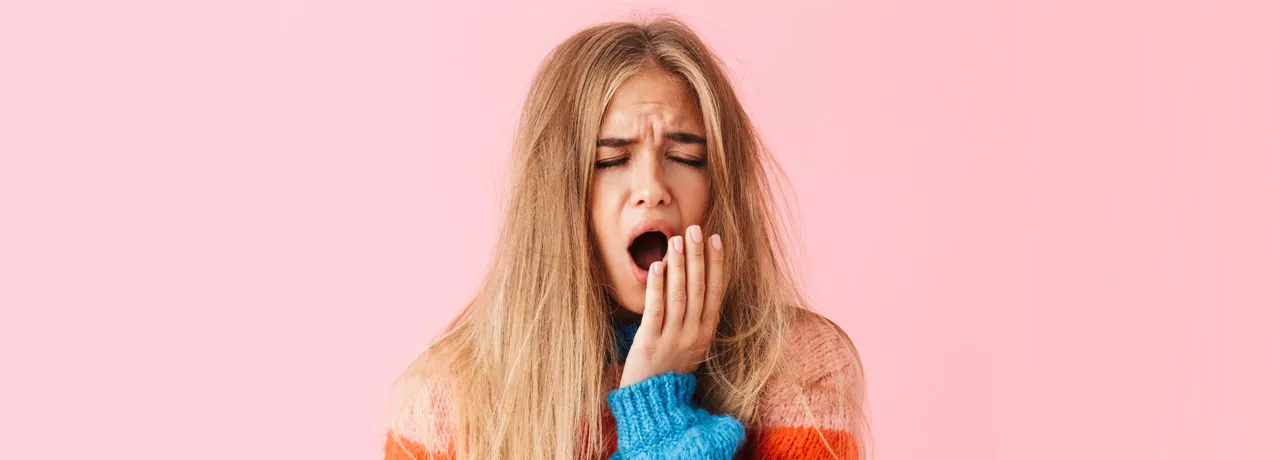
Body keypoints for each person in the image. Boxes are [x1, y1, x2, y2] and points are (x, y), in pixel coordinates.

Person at [382, 15, 871, 459]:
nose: (653, 190)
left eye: (685, 158)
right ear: (556, 196)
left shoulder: (801, 368)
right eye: (612, 161)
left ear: (720, 186)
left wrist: (656, 412)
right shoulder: (445, 397)